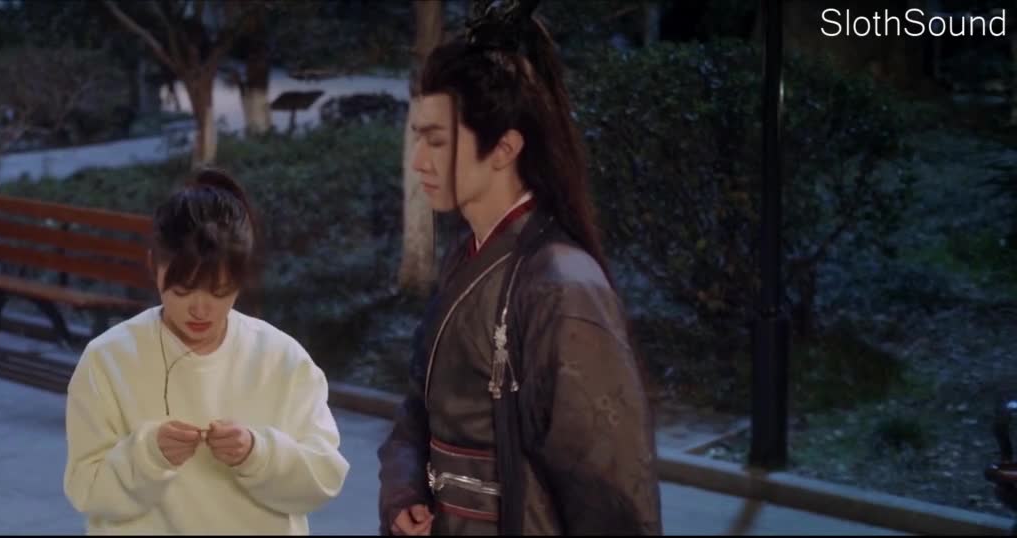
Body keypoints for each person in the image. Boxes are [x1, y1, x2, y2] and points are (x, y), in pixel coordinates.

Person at [376, 0, 662, 535]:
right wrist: (404, 492)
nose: (419, 161)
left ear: (504, 148)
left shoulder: (562, 284)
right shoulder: (465, 259)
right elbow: (417, 410)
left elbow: (610, 492)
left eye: (437, 141)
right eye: (418, 137)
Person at [63, 168, 350, 535]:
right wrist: (148, 456)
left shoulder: (282, 359)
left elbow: (324, 477)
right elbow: (86, 490)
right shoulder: (108, 360)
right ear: (153, 266)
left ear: (241, 279)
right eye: (182, 291)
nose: (200, 310)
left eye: (219, 291)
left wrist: (258, 453)